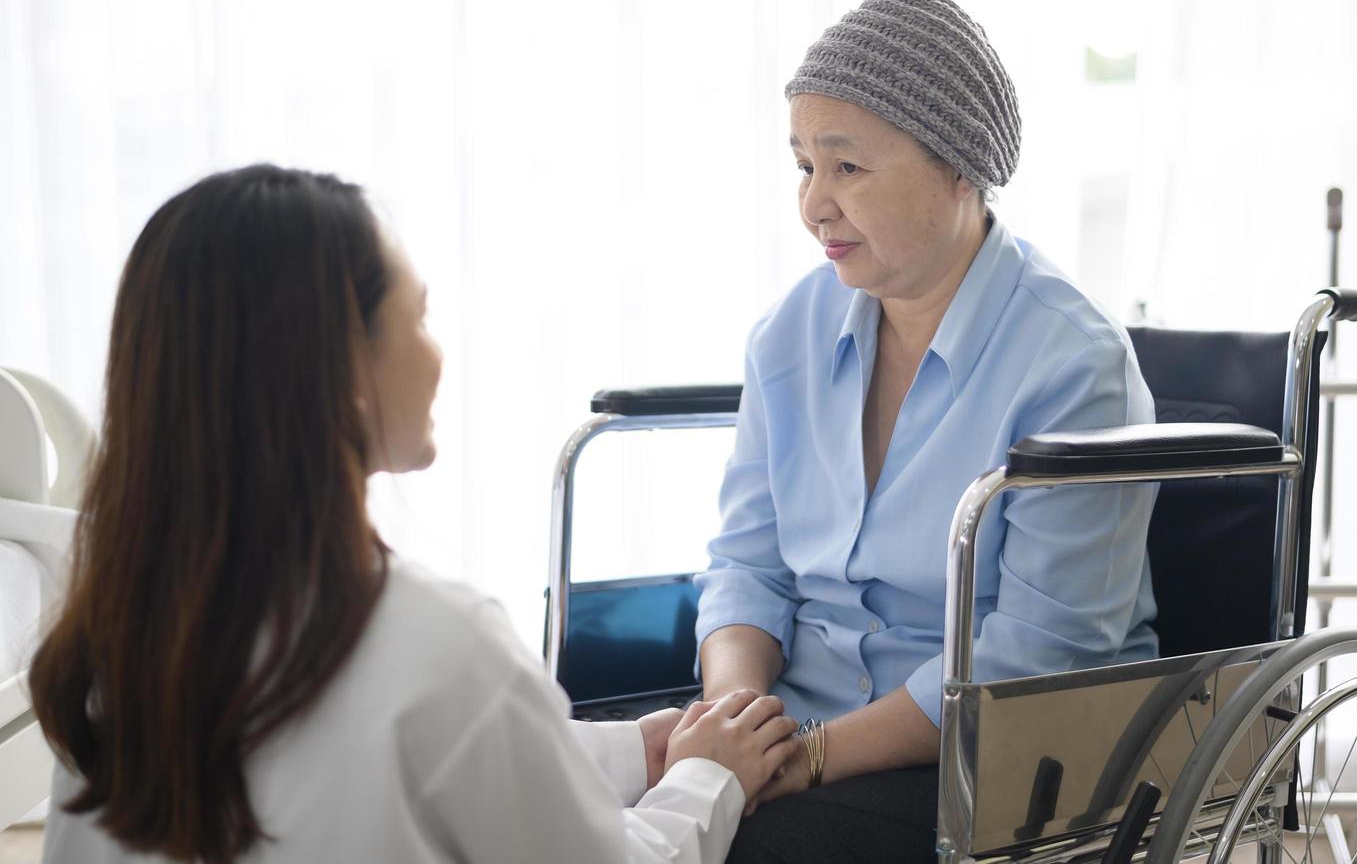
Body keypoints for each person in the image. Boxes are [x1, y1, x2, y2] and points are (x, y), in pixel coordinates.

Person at [28, 164, 798, 864]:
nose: (436, 355)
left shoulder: (116, 639)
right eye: (419, 318)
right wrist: (704, 782)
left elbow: (419, 758)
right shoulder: (437, 643)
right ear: (346, 368)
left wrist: (640, 749)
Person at [694, 0, 1160, 861]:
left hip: (988, 762)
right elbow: (746, 565)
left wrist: (809, 756)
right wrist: (734, 720)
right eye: (802, 165)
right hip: (794, 728)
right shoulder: (790, 333)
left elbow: (1036, 656)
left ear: (957, 166)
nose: (812, 204)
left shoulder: (1071, 364)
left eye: (847, 166)